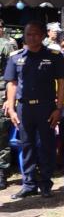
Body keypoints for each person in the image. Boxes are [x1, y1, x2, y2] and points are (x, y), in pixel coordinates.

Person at [3, 20, 64, 199]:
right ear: (24, 36)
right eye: (29, 34)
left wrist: (59, 108)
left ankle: (46, 183)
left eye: (36, 34)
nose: (32, 37)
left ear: (43, 36)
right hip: (24, 107)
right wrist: (12, 108)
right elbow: (12, 83)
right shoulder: (16, 57)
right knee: (27, 145)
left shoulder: (54, 55)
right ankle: (29, 184)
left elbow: (61, 83)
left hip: (46, 107)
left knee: (46, 145)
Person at [0, 21, 14, 189]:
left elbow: (12, 74)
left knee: (1, 134)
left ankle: (2, 171)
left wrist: (9, 98)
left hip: (1, 92)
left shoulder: (6, 45)